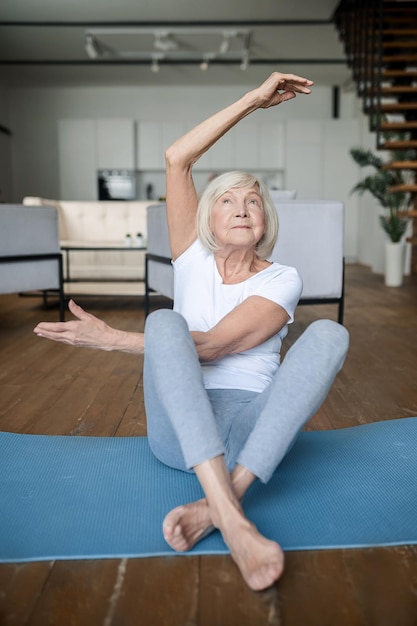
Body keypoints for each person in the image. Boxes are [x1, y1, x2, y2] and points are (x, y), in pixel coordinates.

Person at [34, 71, 349, 591]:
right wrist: (253, 100)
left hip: (253, 432)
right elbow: (178, 158)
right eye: (227, 200)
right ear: (209, 216)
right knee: (165, 320)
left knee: (331, 335)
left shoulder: (282, 278)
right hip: (181, 431)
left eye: (252, 201)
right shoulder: (191, 259)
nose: (242, 208)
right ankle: (235, 516)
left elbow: (215, 345)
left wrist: (114, 340)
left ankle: (220, 507)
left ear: (265, 220)